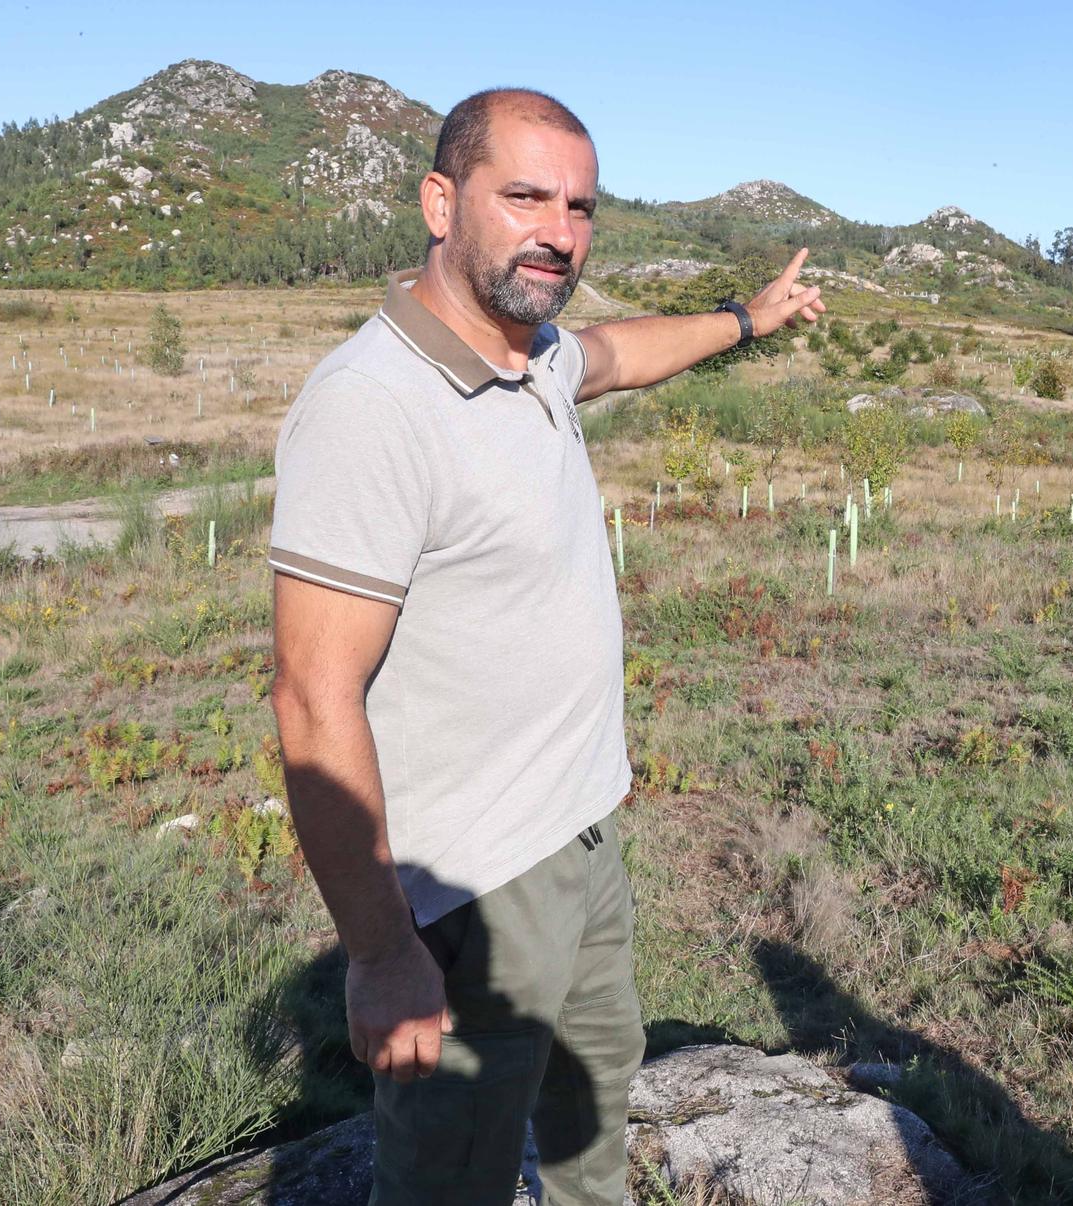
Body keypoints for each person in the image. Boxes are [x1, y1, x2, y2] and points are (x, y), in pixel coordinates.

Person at [267, 86, 823, 1205]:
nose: (558, 231)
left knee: (590, 1119)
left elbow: (617, 353)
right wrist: (380, 955)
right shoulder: (375, 405)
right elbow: (312, 699)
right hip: (470, 889)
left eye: (578, 205)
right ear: (440, 200)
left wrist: (746, 319)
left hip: (583, 834)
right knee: (450, 1174)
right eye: (523, 195)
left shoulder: (538, 356)